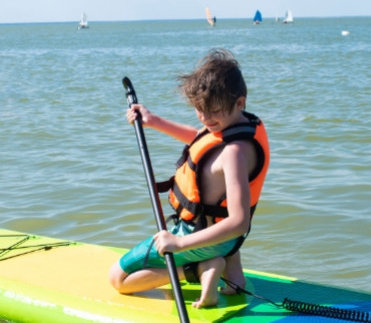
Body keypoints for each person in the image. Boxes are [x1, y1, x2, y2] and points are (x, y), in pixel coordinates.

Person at [109, 49, 269, 308]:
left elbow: (239, 221)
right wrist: (154, 120)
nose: (206, 118)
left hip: (205, 236)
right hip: (228, 241)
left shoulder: (235, 154)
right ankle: (231, 273)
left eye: (213, 112)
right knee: (220, 231)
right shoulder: (239, 126)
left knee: (118, 278)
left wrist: (179, 243)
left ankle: (199, 268)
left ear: (239, 103)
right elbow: (203, 139)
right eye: (199, 110)